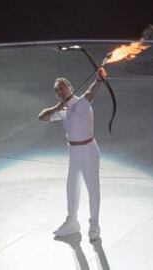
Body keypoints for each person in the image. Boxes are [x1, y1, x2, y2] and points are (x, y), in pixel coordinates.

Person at [38, 67, 107, 241]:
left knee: (92, 187)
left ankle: (94, 224)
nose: (61, 91)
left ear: (70, 86)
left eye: (63, 87)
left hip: (88, 150)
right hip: (74, 152)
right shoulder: (62, 109)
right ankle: (72, 221)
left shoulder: (81, 103)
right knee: (72, 187)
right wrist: (56, 107)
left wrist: (99, 80)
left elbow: (91, 93)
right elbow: (42, 117)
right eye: (58, 90)